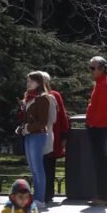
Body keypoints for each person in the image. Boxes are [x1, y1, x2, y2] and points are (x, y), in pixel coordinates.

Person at [17, 72, 54, 208]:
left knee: (38, 167)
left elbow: (42, 122)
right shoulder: (29, 97)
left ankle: (40, 199)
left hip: (38, 135)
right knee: (33, 168)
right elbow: (27, 118)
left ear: (39, 82)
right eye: (28, 81)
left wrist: (28, 127)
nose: (29, 83)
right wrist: (22, 128)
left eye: (32, 81)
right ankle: (37, 197)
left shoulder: (42, 98)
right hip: (29, 134)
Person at [85, 56, 107, 207]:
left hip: (99, 127)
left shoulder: (105, 84)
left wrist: (92, 124)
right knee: (98, 162)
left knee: (101, 162)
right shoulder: (99, 84)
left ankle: (104, 196)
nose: (90, 71)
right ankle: (102, 194)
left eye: (93, 68)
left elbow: (102, 109)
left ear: (102, 68)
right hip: (96, 126)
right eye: (89, 67)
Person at [39, 72, 69, 206]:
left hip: (51, 135)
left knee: (47, 163)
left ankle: (46, 192)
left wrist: (63, 135)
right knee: (48, 164)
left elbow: (62, 116)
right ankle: (47, 192)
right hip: (51, 135)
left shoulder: (53, 95)